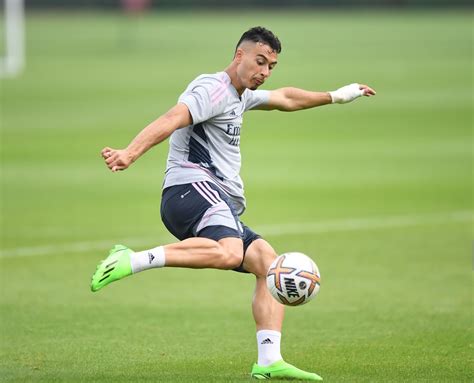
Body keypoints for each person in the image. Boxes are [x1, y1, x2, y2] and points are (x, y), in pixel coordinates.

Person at [90, 26, 376, 381]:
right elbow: (171, 119)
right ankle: (131, 259)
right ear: (239, 55)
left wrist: (337, 95)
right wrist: (129, 153)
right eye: (260, 62)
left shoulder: (239, 95)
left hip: (210, 197)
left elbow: (286, 98)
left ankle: (268, 360)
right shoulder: (212, 89)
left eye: (271, 66)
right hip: (190, 188)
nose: (265, 72)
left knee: (267, 263)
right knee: (227, 251)